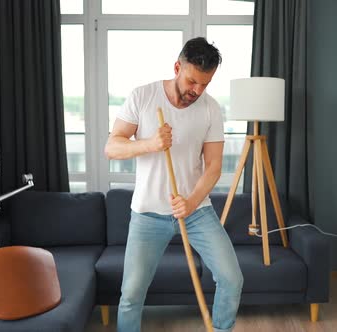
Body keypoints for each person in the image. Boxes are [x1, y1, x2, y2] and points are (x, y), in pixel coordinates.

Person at [104, 37, 244, 332]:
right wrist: (150, 143)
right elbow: (112, 147)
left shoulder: (210, 109)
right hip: (147, 214)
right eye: (193, 81)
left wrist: (191, 201)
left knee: (232, 279)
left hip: (196, 210)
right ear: (178, 67)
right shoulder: (142, 96)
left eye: (205, 84)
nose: (197, 90)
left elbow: (214, 166)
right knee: (130, 294)